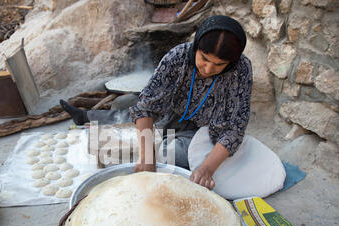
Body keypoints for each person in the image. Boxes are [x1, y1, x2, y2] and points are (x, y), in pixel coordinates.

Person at [60, 15, 252, 191]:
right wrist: (147, 156)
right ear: (196, 48)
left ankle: (165, 144)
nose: (209, 68)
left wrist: (207, 169)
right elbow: (146, 107)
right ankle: (86, 116)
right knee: (131, 114)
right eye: (204, 59)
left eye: (219, 65)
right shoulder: (178, 57)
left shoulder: (240, 70)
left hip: (204, 130)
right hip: (173, 113)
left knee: (172, 156)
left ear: (231, 63)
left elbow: (234, 129)